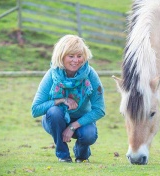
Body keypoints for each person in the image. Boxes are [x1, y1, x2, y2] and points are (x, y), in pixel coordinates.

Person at [31, 34, 105, 163]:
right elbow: (35, 110)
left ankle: (82, 155)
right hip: (56, 121)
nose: (75, 60)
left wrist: (72, 127)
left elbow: (99, 110)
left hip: (81, 120)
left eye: (79, 56)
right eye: (71, 56)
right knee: (54, 112)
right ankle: (63, 155)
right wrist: (61, 100)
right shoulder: (52, 75)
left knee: (89, 135)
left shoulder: (90, 75)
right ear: (61, 57)